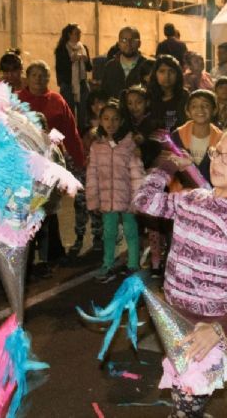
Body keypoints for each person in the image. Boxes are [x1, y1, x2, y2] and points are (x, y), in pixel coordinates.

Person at [132, 122, 227, 417]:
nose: (218, 162)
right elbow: (144, 201)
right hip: (175, 321)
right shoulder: (193, 199)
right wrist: (167, 165)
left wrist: (219, 329)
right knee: (185, 400)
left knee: (184, 407)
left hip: (210, 330)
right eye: (217, 152)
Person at [86, 100, 145, 282]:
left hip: (127, 198)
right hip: (106, 199)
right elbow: (92, 174)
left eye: (115, 119)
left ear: (121, 121)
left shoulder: (129, 145)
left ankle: (133, 264)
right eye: (106, 119)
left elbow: (137, 174)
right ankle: (108, 264)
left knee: (131, 232)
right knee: (109, 233)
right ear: (100, 121)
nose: (110, 123)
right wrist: (93, 199)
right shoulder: (96, 146)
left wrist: (138, 200)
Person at [16, 61, 85, 172]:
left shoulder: (57, 100)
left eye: (42, 76)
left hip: (52, 158)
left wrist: (79, 161)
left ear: (48, 79)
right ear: (27, 78)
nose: (38, 79)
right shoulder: (16, 99)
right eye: (34, 75)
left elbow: (70, 132)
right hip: (22, 158)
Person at [70, 90, 107, 257]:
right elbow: (76, 150)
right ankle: (78, 237)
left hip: (100, 175)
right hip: (83, 174)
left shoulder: (111, 126)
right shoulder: (84, 125)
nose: (98, 106)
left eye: (102, 102)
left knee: (97, 209)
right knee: (80, 208)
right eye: (95, 103)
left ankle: (98, 237)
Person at [171, 90, 223, 186]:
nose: (200, 109)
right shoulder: (177, 136)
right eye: (194, 106)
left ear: (214, 110)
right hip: (182, 194)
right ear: (188, 112)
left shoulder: (221, 139)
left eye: (206, 105)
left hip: (210, 194)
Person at [55, 23, 92, 127]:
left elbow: (90, 68)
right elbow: (60, 68)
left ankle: (82, 134)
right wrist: (71, 61)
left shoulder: (83, 47)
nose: (79, 35)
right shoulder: (62, 49)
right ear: (69, 34)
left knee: (83, 112)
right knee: (69, 112)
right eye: (76, 33)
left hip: (82, 83)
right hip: (68, 84)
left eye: (80, 33)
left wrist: (86, 60)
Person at [100, 26, 152, 100]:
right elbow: (104, 94)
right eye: (124, 40)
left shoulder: (148, 66)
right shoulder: (110, 66)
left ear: (139, 43)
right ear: (119, 44)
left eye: (133, 40)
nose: (128, 44)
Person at [147, 55, 189, 133]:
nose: (167, 75)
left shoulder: (185, 97)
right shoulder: (148, 96)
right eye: (162, 71)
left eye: (171, 71)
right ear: (155, 74)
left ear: (178, 75)